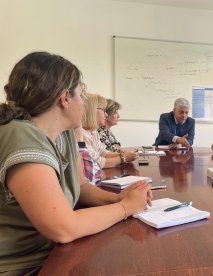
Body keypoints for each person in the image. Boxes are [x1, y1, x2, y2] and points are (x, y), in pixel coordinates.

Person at [0, 52, 152, 274]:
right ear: (65, 98)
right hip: (24, 266)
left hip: (56, 255)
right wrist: (126, 207)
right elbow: (63, 228)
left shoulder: (64, 134)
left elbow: (81, 189)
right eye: (81, 94)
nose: (84, 102)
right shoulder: (20, 135)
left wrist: (120, 197)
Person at [81, 93, 138, 172]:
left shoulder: (93, 131)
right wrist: (123, 157)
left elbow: (103, 152)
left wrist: (124, 155)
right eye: (103, 110)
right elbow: (97, 162)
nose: (106, 114)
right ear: (92, 110)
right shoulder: (82, 133)